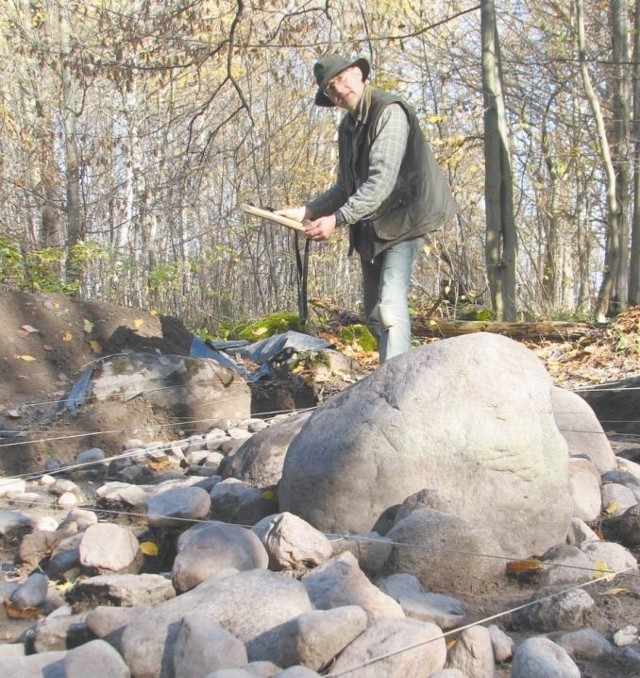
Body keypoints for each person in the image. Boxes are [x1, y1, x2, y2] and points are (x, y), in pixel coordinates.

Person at [276, 54, 456, 363]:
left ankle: (396, 384)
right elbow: (346, 187)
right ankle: (405, 367)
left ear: (358, 74)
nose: (338, 90)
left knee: (389, 308)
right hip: (372, 224)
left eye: (342, 79)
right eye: (330, 88)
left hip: (406, 217)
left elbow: (380, 182)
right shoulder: (348, 127)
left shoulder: (389, 112)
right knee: (373, 316)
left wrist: (338, 219)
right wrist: (306, 211)